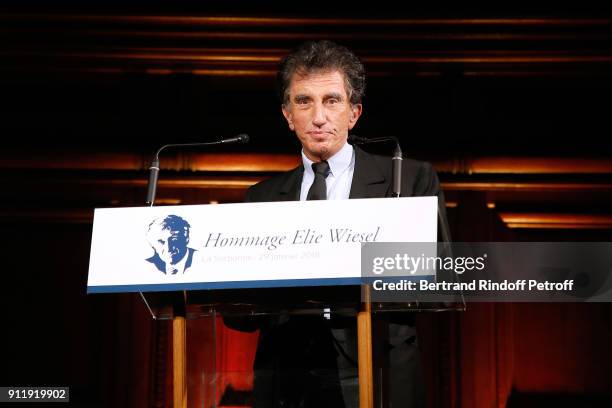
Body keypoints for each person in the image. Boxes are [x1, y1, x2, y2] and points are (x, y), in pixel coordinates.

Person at [224, 40, 448, 408]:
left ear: (354, 112)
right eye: (303, 101)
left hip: (377, 371)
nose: (318, 117)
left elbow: (438, 278)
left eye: (332, 100)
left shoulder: (407, 181)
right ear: (287, 114)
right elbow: (242, 311)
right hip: (288, 380)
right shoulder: (260, 198)